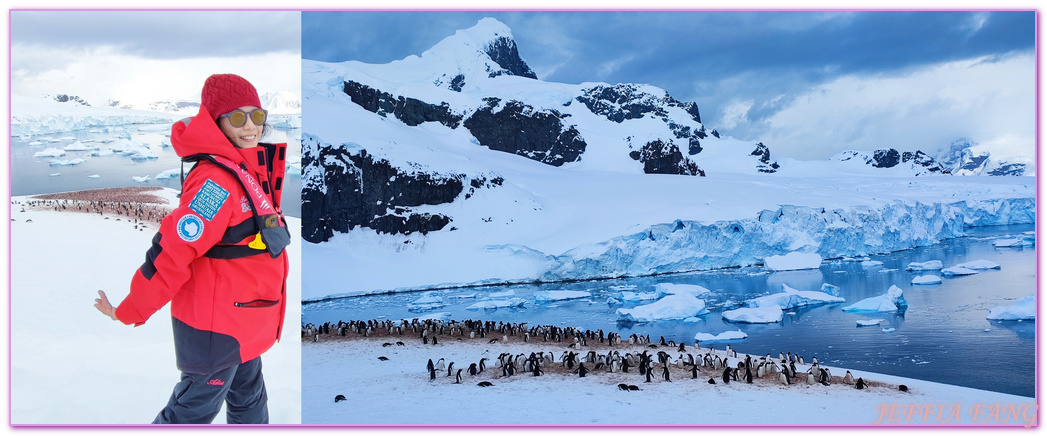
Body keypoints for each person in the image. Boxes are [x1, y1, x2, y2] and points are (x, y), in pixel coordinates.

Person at [94, 73, 290, 424]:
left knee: (249, 399)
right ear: (217, 122)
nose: (251, 127)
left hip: (244, 317)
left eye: (256, 115)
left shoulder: (242, 167)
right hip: (216, 326)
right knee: (190, 413)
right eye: (237, 117)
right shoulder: (215, 182)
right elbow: (173, 252)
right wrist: (131, 309)